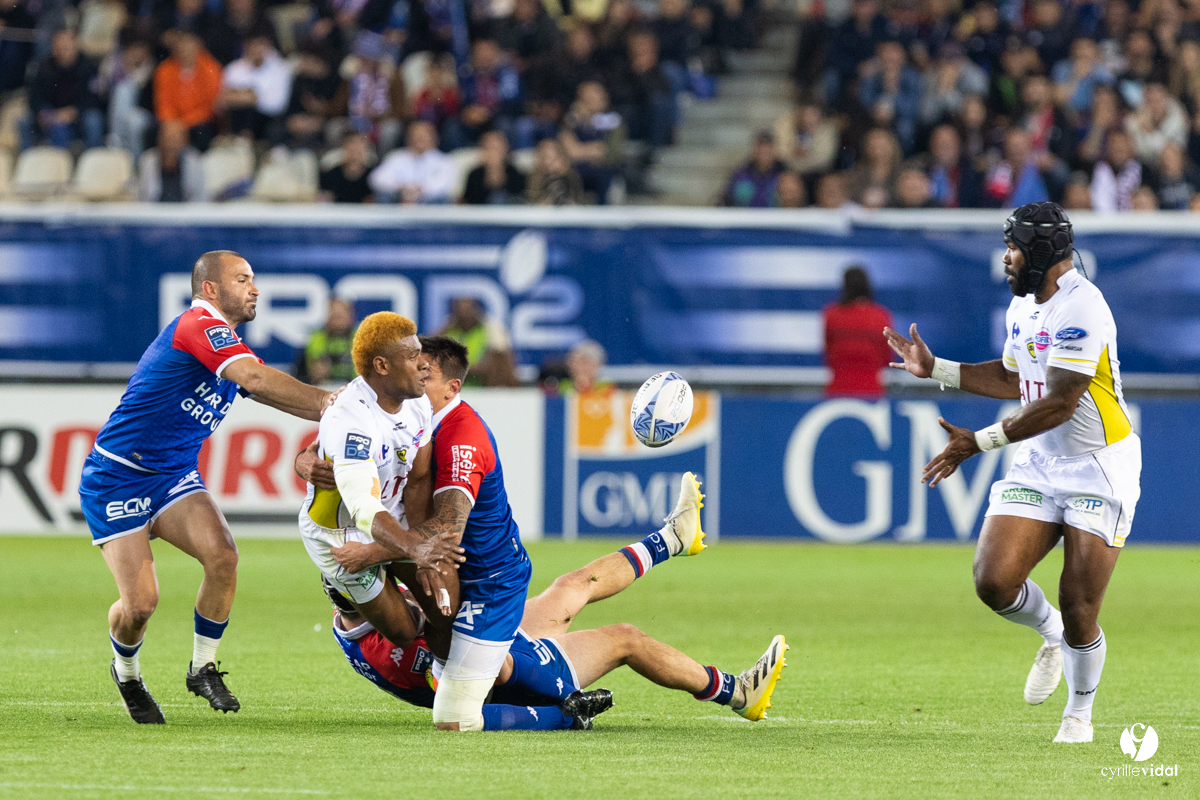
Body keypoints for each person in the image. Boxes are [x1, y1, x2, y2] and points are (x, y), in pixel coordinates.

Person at [323, 338, 776, 732]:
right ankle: (674, 539)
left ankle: (732, 690)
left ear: (452, 388)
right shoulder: (415, 423)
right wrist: (310, 461)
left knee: (603, 636)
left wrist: (368, 552)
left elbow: (445, 532)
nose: (416, 381)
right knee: (578, 595)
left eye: (426, 373)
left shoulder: (460, 438)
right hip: (492, 620)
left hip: (490, 593)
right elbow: (340, 415)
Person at [885, 202, 1140, 744]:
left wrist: (979, 441)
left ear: (1043, 254)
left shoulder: (1083, 307)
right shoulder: (1024, 305)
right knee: (993, 582)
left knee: (1079, 604)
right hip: (1041, 461)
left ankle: (1078, 715)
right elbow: (1012, 375)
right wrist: (938, 370)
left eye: (1014, 247)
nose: (1005, 258)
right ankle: (1048, 635)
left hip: (1099, 465)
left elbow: (1060, 402)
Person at [78, 251, 341, 724]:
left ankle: (202, 667)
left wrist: (338, 411)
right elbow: (257, 380)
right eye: (243, 279)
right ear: (212, 289)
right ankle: (127, 672)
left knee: (223, 555)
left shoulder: (228, 345)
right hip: (118, 476)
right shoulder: (200, 326)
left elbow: (265, 388)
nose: (255, 288)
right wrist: (328, 400)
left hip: (173, 477)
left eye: (254, 279)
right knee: (140, 606)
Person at [296, 312, 465, 650]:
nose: (425, 366)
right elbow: (362, 507)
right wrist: (413, 547)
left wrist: (420, 547)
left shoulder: (417, 404)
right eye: (413, 357)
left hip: (395, 519)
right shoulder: (351, 419)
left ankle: (450, 686)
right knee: (403, 633)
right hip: (341, 536)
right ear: (382, 366)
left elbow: (417, 482)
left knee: (447, 610)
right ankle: (343, 594)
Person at [24, 29, 104, 150]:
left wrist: (74, 112)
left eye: (67, 46)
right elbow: (34, 97)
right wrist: (41, 112)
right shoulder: (44, 66)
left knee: (93, 119)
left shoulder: (89, 67)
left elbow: (94, 99)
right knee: (24, 120)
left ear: (75, 46)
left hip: (79, 114)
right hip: (52, 112)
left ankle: (93, 159)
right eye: (60, 46)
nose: (63, 50)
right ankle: (28, 160)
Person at [823, 266, 894, 398]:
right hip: (872, 390)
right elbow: (886, 358)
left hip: (838, 389)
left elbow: (829, 352)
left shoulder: (831, 315)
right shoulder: (881, 317)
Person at [219, 28, 293, 143]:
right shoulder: (234, 69)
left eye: (260, 44)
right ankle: (242, 143)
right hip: (239, 119)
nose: (257, 49)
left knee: (252, 113)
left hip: (268, 120)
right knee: (241, 112)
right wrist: (250, 96)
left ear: (268, 45)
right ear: (245, 46)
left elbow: (278, 105)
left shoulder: (280, 68)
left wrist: (246, 96)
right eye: (252, 45)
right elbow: (223, 100)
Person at [153, 30, 221, 152]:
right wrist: (172, 123)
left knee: (202, 133)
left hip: (198, 122)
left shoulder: (211, 69)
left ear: (199, 45)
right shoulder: (164, 70)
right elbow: (163, 102)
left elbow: (209, 105)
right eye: (182, 43)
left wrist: (183, 124)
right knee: (154, 132)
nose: (186, 48)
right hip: (171, 122)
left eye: (190, 43)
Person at [368, 120, 458, 204]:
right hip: (399, 202)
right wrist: (401, 188)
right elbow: (376, 179)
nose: (419, 139)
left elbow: (447, 185)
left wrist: (419, 190)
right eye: (416, 135)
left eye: (423, 135)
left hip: (430, 206)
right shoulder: (396, 157)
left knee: (443, 198)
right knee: (383, 196)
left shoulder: (444, 160)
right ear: (408, 138)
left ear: (434, 138)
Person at [438, 296, 516, 386]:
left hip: (484, 389)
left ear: (476, 309)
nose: (464, 310)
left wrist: (462, 368)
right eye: (459, 307)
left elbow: (496, 366)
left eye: (468, 306)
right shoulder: (446, 332)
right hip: (452, 390)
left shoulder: (490, 331)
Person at [299, 298, 357, 384]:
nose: (337, 322)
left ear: (350, 316)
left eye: (340, 316)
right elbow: (316, 368)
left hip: (356, 389)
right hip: (324, 389)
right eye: (334, 316)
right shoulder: (317, 337)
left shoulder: (360, 337)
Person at [721, 131, 786, 207]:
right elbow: (727, 198)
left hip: (777, 217)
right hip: (744, 217)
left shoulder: (785, 173)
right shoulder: (741, 174)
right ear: (754, 151)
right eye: (761, 150)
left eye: (768, 151)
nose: (764, 154)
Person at [462, 129, 527, 205]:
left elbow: (518, 198)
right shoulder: (474, 175)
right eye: (489, 148)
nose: (493, 153)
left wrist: (498, 171)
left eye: (496, 149)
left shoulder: (516, 173)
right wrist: (490, 172)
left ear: (505, 150)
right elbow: (471, 201)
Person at [319, 131, 374, 204]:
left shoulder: (374, 176)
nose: (356, 147)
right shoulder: (331, 175)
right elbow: (324, 201)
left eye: (360, 142)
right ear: (343, 146)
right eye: (352, 142)